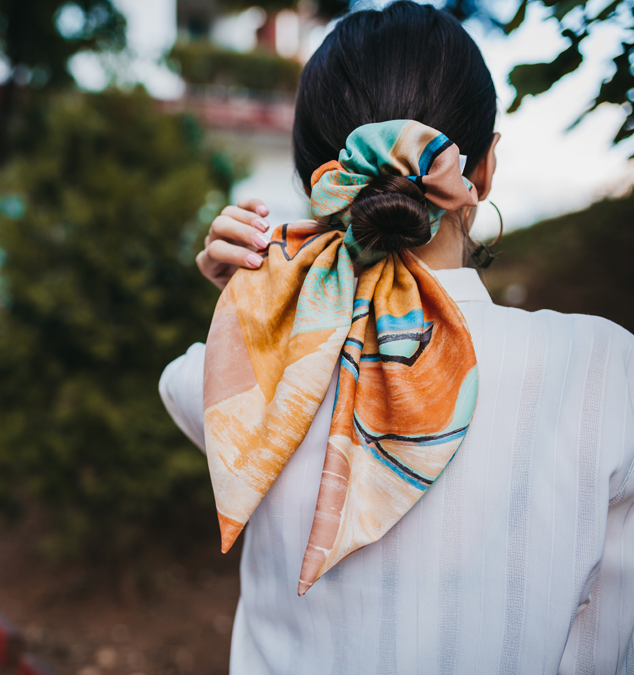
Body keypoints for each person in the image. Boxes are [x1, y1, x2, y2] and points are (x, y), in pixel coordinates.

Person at [158, 3, 634, 674]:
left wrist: (249, 310)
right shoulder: (608, 372)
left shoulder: (278, 378)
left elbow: (185, 385)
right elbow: (607, 644)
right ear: (485, 167)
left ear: (314, 184)